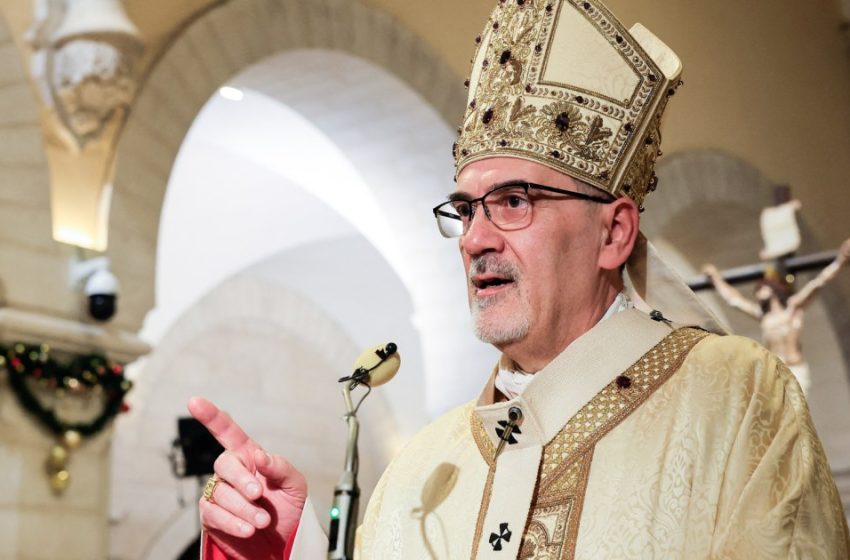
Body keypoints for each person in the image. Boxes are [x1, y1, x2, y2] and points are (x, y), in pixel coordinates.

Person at [190, 0, 850, 558]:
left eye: (514, 202)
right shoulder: (425, 466)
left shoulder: (734, 400)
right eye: (466, 209)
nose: (476, 238)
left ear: (614, 233)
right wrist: (282, 551)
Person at [703, 238, 850, 394]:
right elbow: (734, 300)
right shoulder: (763, 315)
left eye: (761, 289)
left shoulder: (792, 308)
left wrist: (840, 260)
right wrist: (716, 278)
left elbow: (819, 282)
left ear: (772, 289)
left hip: (795, 369)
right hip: (774, 371)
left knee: (796, 411)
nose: (758, 294)